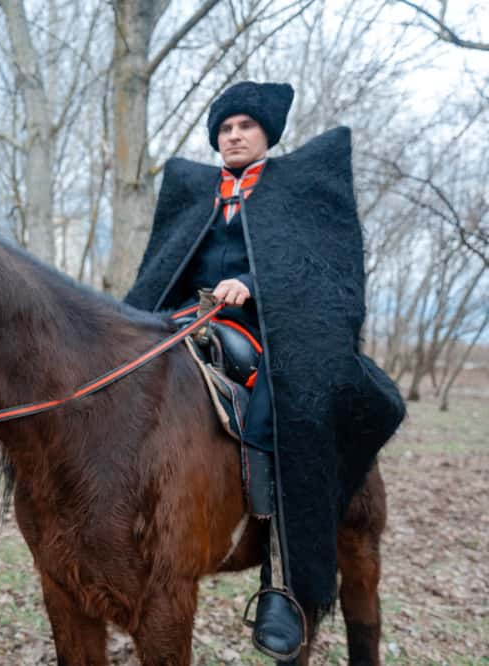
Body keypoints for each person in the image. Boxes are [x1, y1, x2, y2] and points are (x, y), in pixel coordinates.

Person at [125, 81, 406, 661]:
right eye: (225, 129)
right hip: (184, 320)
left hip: (270, 330)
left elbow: (315, 271)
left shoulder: (295, 193)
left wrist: (250, 286)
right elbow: (166, 268)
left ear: (265, 134)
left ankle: (282, 579)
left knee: (286, 406)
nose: (233, 136)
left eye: (244, 127)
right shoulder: (195, 194)